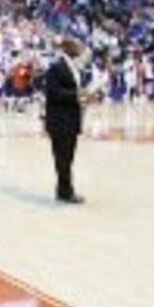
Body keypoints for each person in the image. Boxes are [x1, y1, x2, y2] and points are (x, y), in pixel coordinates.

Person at [45, 31, 88, 203]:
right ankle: (65, 192)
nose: (80, 49)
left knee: (67, 158)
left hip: (69, 118)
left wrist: (83, 96)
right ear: (68, 48)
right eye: (76, 46)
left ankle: (63, 190)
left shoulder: (72, 67)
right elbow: (52, 93)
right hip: (60, 120)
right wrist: (76, 95)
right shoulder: (57, 67)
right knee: (63, 158)